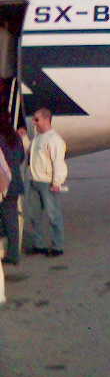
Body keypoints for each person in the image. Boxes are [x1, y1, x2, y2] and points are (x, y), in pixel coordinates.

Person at [26, 107, 68, 257]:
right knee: (34, 215)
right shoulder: (37, 137)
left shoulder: (54, 140)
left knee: (53, 216)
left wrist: (57, 182)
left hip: (48, 183)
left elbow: (58, 162)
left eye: (36, 119)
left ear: (46, 119)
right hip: (34, 181)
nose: (34, 122)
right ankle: (39, 245)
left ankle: (58, 246)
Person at [0, 111, 24, 265]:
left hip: (4, 183)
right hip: (15, 182)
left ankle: (11, 254)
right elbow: (21, 156)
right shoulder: (16, 137)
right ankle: (13, 253)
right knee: (12, 220)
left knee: (7, 221)